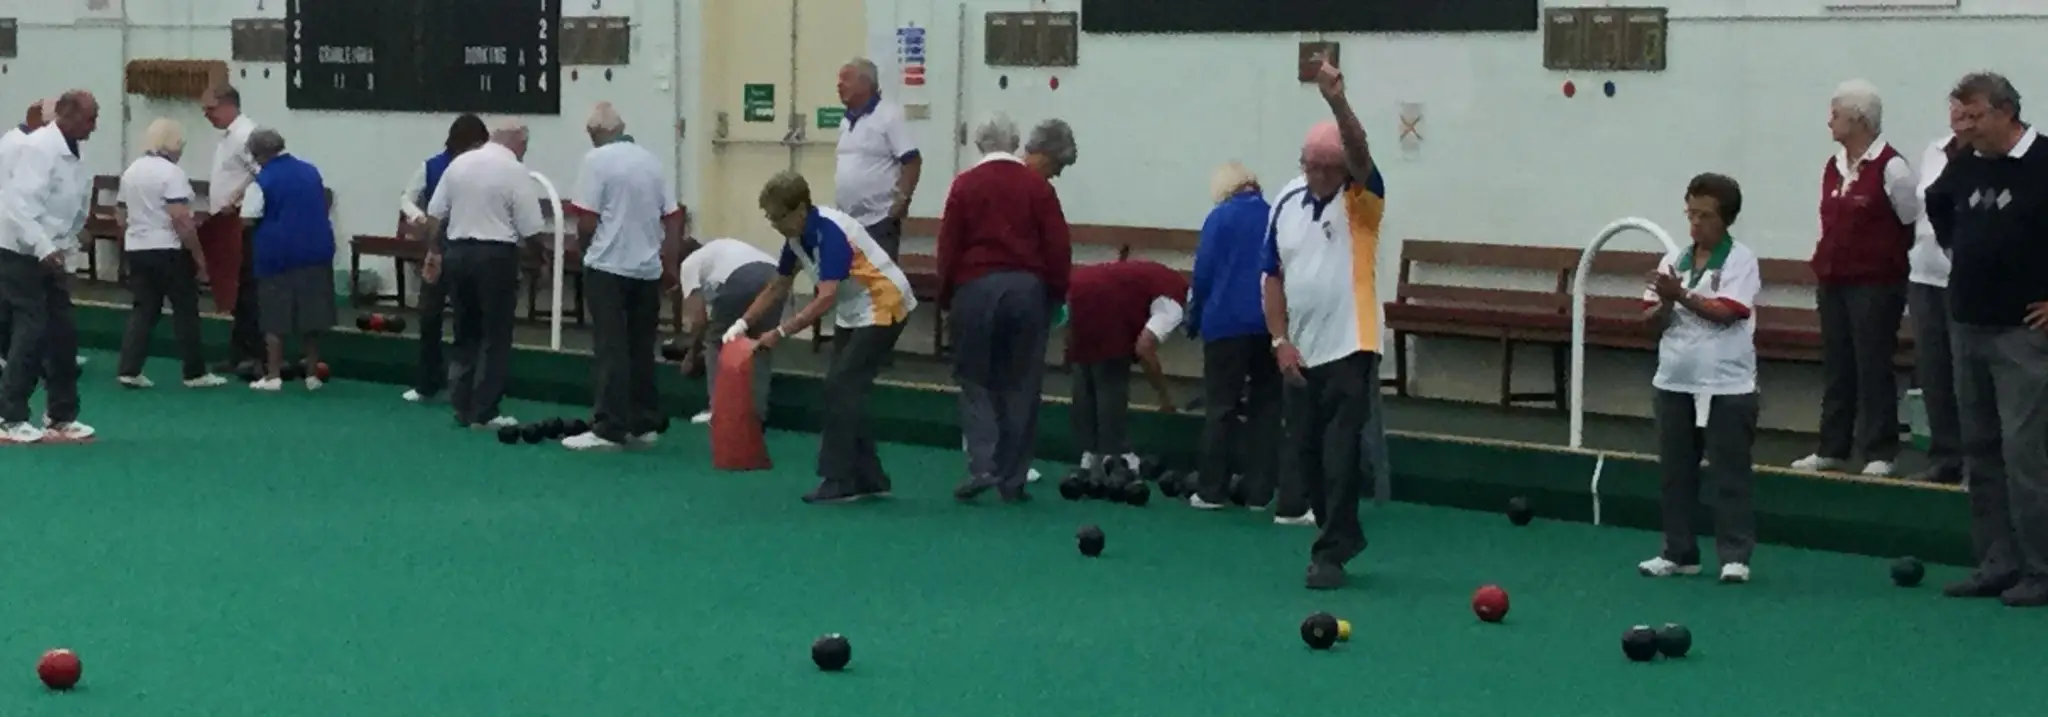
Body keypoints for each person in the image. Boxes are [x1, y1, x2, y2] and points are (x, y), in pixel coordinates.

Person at [1923, 72, 2048, 607]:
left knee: (2027, 455)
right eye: (1960, 116)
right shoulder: (1964, 166)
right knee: (1980, 451)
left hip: (2024, 336)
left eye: (1974, 116)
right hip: (1967, 325)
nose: (1965, 127)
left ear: (2006, 112)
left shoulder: (2046, 162)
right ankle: (1997, 563)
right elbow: (1939, 207)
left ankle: (2042, 569)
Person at [1262, 58, 1385, 590]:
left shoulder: (1362, 201)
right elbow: (1272, 276)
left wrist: (1336, 100)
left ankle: (1331, 550)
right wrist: (1279, 340)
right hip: (1303, 351)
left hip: (1352, 345)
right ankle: (1344, 534)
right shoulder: (1285, 200)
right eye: (1309, 165)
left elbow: (1359, 153)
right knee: (1307, 451)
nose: (1315, 176)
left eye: (1326, 168)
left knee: (1338, 450)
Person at [728, 171, 917, 503]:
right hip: (854, 308)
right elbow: (778, 285)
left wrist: (781, 331)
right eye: (769, 217)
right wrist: (742, 324)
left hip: (884, 304)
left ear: (800, 209)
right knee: (845, 389)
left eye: (778, 217)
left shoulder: (829, 232)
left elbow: (826, 296)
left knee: (841, 387)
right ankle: (870, 477)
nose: (774, 224)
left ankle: (840, 478)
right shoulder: (795, 238)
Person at [1634, 173, 1763, 584]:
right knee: (1675, 471)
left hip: (1727, 383)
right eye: (1690, 214)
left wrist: (1681, 295)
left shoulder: (1741, 259)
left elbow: (1728, 313)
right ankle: (1678, 552)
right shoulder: (1673, 261)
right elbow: (1651, 320)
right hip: (1674, 379)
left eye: (1705, 216)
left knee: (1730, 471)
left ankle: (1734, 556)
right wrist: (1663, 307)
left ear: (1725, 219)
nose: (1695, 224)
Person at [938, 113, 1074, 502]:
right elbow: (1057, 246)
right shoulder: (1037, 186)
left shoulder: (964, 184)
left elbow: (949, 246)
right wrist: (1055, 295)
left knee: (974, 379)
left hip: (975, 288)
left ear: (979, 145)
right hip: (1027, 291)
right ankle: (1013, 480)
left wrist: (947, 296)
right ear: (1015, 143)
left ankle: (982, 464)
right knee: (1022, 385)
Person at [1793, 79, 1918, 477]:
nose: (1829, 121)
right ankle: (1833, 445)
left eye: (1836, 113)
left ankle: (1881, 450)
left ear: (1858, 119)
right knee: (1838, 364)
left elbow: (1910, 220)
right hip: (1833, 280)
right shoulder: (1833, 166)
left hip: (1876, 283)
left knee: (1872, 364)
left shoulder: (1892, 167)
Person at [561, 103, 684, 450]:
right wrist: (669, 262)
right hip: (647, 270)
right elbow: (674, 217)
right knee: (641, 347)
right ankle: (643, 423)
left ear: (594, 134)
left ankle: (609, 426)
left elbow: (586, 220)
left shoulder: (595, 161)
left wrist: (587, 253)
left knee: (611, 348)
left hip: (608, 268)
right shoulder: (651, 160)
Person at [419, 119, 545, 430]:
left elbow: (435, 217)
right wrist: (540, 261)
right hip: (496, 257)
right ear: (517, 142)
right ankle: (485, 410)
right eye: (525, 146)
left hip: (458, 254)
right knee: (496, 334)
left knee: (465, 331)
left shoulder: (459, 164)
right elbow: (531, 228)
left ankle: (461, 405)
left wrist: (435, 253)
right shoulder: (515, 171)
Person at [1188, 162, 1294, 519]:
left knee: (1221, 407)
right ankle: (1258, 493)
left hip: (1224, 324)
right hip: (1268, 324)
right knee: (1267, 409)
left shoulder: (1219, 218)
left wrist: (1194, 317)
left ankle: (1211, 490)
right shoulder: (1277, 214)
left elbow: (1203, 273)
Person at [0, 90, 98, 444]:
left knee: (63, 333)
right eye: (90, 118)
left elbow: (70, 205)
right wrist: (43, 246)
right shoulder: (38, 148)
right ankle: (9, 417)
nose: (94, 126)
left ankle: (61, 415)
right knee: (32, 331)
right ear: (67, 116)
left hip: (51, 253)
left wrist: (68, 242)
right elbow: (17, 205)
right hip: (20, 253)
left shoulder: (72, 150)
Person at [114, 118, 227, 389]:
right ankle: (194, 373)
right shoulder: (172, 173)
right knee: (185, 310)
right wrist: (199, 257)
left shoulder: (131, 171)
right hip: (168, 249)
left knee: (144, 310)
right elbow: (181, 220)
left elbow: (119, 214)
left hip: (137, 248)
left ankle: (129, 369)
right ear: (173, 144)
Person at [1064, 259, 1186, 481]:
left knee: (1086, 370)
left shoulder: (1164, 276)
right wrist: (1164, 398)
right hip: (1106, 300)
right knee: (1111, 377)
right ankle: (1118, 455)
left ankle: (1090, 455)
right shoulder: (1175, 304)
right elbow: (1144, 347)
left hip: (1078, 284)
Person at [397, 113, 490, 404]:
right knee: (429, 316)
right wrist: (418, 217)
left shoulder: (487, 167)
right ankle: (428, 383)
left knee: (470, 320)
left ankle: (470, 385)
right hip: (438, 251)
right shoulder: (432, 166)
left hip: (471, 251)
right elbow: (407, 198)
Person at [237, 129, 336, 391]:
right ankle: (312, 375)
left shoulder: (263, 180)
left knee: (274, 318)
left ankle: (273, 376)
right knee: (312, 318)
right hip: (317, 250)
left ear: (258, 155)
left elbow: (248, 218)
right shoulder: (310, 171)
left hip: (277, 254)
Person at [1907, 105, 1972, 485]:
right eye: (1956, 112)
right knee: (1934, 371)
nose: (1960, 120)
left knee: (1968, 374)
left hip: (1964, 279)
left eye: (1969, 113)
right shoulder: (1935, 150)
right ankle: (1945, 456)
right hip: (1924, 274)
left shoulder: (1984, 157)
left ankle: (1975, 462)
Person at [677, 232, 782, 426]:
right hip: (776, 278)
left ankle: (717, 411)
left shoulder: (688, 264)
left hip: (739, 279)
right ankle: (756, 416)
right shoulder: (719, 248)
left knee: (717, 342)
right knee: (761, 345)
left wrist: (692, 354)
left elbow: (699, 320)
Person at [199, 85, 264, 374]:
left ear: (228, 105)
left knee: (247, 290)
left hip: (240, 221)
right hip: (226, 221)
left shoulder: (246, 135)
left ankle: (254, 355)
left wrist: (236, 198)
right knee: (235, 289)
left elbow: (264, 172)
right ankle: (238, 354)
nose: (206, 116)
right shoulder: (229, 136)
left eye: (210, 109)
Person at [833, 57, 921, 260]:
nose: (839, 85)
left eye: (846, 79)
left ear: (865, 84)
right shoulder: (846, 121)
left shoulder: (888, 116)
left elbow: (912, 160)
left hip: (879, 221)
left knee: (881, 283)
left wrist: (902, 200)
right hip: (848, 222)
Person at [0, 98, 54, 366]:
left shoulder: (11, 139)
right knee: (22, 303)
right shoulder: (26, 145)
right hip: (17, 230)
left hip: (11, 227)